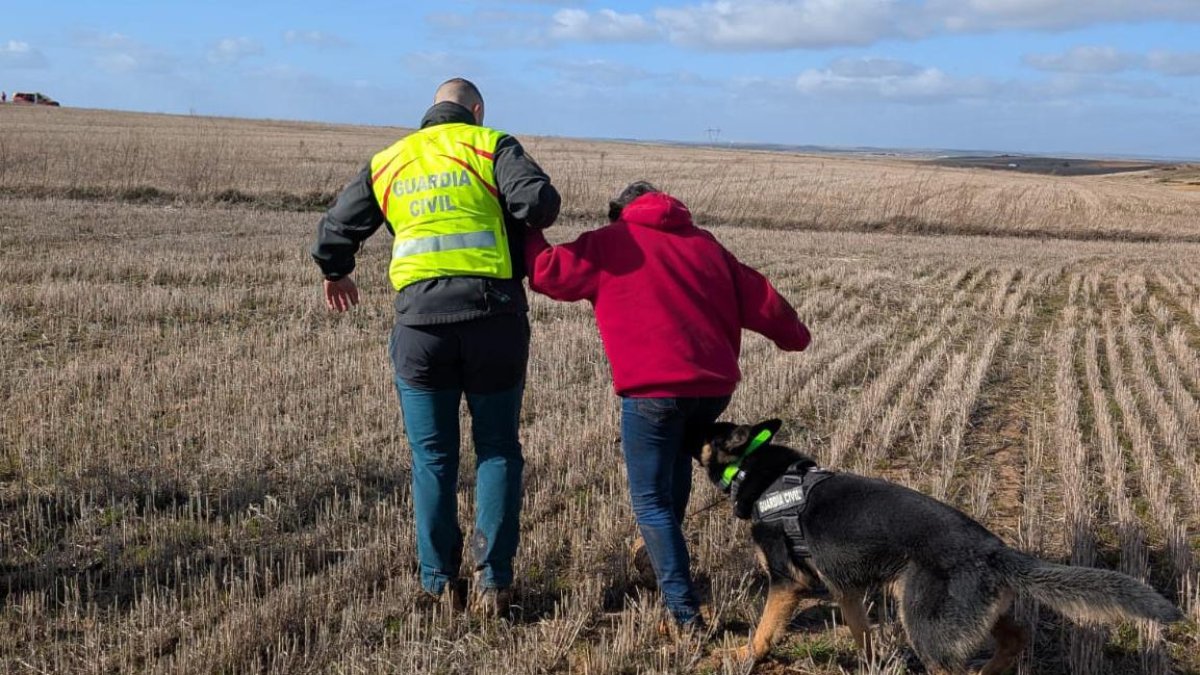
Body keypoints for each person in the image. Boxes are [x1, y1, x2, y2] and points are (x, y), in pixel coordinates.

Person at [312, 78, 560, 614]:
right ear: (476, 109)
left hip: (421, 329)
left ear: (431, 110)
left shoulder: (392, 159)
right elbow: (537, 202)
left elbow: (335, 228)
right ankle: (494, 582)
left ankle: (438, 582)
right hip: (493, 321)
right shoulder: (491, 144)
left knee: (432, 457)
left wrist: (336, 271)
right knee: (496, 449)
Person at [524, 181, 810, 629]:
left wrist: (526, 229)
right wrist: (796, 337)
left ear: (620, 211)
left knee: (651, 501)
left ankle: (683, 611)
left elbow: (547, 272)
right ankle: (660, 557)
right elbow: (762, 298)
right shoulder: (706, 245)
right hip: (713, 390)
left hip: (653, 393)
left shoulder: (611, 242)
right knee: (675, 471)